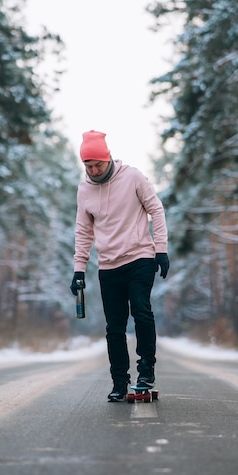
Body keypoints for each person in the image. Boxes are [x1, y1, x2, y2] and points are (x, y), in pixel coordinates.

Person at [70, 130, 169, 402]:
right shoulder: (84, 190)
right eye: (88, 166)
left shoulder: (133, 177)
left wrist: (161, 250)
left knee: (141, 309)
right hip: (108, 265)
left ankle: (146, 368)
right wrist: (79, 269)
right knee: (114, 326)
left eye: (97, 164)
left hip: (140, 257)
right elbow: (83, 232)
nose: (93, 170)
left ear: (108, 157)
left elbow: (156, 210)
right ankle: (119, 381)